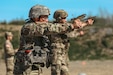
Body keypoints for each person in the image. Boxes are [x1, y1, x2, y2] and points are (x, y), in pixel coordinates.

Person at [13, 4, 76, 75]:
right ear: (36, 17)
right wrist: (72, 26)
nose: (47, 20)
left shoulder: (38, 27)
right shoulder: (29, 27)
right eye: (44, 17)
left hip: (34, 65)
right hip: (25, 67)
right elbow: (49, 28)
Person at [48, 9, 94, 75]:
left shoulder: (65, 26)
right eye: (63, 18)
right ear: (58, 18)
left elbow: (71, 31)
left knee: (65, 72)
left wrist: (86, 23)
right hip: (56, 54)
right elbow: (66, 28)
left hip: (64, 53)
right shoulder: (53, 27)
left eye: (65, 18)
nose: (65, 20)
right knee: (56, 72)